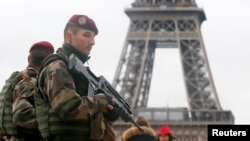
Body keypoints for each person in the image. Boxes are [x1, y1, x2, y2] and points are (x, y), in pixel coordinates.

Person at [34, 14, 120, 141]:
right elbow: (68, 109)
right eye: (86, 35)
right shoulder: (58, 66)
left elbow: (87, 114)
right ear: (69, 37)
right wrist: (101, 101)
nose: (92, 42)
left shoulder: (78, 70)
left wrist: (109, 111)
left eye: (93, 37)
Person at [0, 41, 54, 141]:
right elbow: (22, 115)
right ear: (49, 64)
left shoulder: (15, 79)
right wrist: (54, 120)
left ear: (29, 59)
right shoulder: (30, 82)